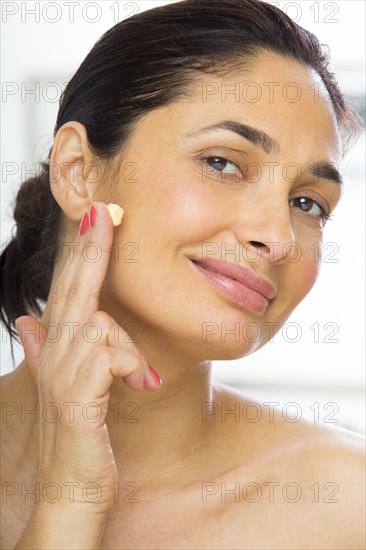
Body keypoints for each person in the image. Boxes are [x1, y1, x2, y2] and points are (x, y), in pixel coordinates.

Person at [0, 0, 364, 548]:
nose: (279, 237)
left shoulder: (345, 505)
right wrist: (69, 500)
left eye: (309, 203)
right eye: (222, 162)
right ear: (77, 172)